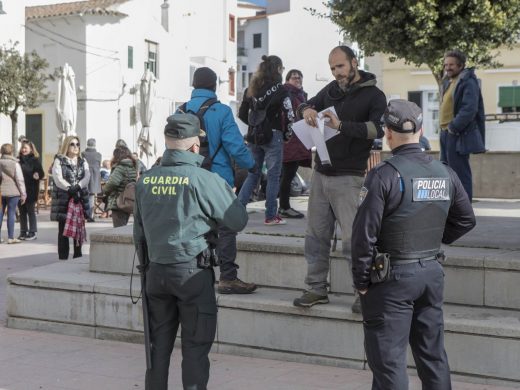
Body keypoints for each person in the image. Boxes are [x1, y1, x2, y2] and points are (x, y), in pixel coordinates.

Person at [351, 99, 476, 390]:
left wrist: (361, 282)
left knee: (389, 362)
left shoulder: (383, 174)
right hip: (431, 272)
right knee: (433, 357)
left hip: (392, 279)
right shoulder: (445, 172)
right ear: (420, 131)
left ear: (388, 133)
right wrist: (434, 238)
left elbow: (363, 235)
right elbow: (466, 219)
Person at [133, 113, 249, 390]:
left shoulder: (145, 180)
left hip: (155, 272)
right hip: (192, 275)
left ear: (168, 143)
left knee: (157, 348)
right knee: (196, 349)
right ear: (195, 146)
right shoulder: (203, 179)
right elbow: (238, 220)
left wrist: (147, 267)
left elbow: (139, 233)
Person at [292, 46, 387, 312]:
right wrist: (306, 111)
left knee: (353, 240)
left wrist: (340, 125)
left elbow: (376, 129)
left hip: (349, 176)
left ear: (354, 63)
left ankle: (363, 292)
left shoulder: (374, 95)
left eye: (340, 67)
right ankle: (315, 288)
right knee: (316, 236)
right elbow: (306, 103)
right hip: (321, 173)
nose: (336, 73)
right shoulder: (331, 90)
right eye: (332, 68)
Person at [180, 66, 257, 295]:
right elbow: (235, 145)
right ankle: (227, 277)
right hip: (217, 179)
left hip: (188, 179)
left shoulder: (180, 111)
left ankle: (192, 274)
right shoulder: (221, 111)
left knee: (193, 226)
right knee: (226, 228)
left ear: (194, 86)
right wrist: (252, 166)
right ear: (214, 86)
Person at [238, 55, 295, 226]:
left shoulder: (252, 88)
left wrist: (256, 124)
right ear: (278, 69)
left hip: (254, 136)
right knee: (273, 176)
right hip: (273, 135)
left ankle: (237, 210)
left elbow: (241, 114)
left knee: (253, 173)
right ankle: (270, 216)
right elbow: (289, 114)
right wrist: (287, 135)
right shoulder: (281, 89)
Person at [440, 49, 486, 201]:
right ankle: (453, 206)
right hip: (445, 133)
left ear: (460, 65)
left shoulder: (468, 81)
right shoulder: (449, 81)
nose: (447, 67)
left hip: (456, 134)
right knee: (447, 172)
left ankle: (464, 207)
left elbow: (469, 109)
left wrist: (454, 127)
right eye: (446, 64)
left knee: (460, 172)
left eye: (451, 64)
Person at [51, 136, 90, 259]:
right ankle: (63, 256)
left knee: (78, 225)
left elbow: (87, 176)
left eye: (77, 144)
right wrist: (69, 188)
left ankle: (78, 254)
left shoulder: (83, 161)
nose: (75, 147)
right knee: (63, 228)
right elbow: (58, 178)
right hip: (64, 197)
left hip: (79, 196)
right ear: (66, 146)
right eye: (72, 144)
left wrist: (78, 187)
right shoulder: (59, 160)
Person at [279, 69, 311, 219]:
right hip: (290, 141)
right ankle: (284, 207)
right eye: (294, 77)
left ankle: (281, 206)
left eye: (300, 77)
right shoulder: (287, 93)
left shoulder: (301, 95)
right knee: (287, 176)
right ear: (287, 80)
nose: (297, 79)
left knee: (287, 176)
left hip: (298, 141)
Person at [103, 146, 137, 227]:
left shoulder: (120, 167)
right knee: (123, 226)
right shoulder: (131, 166)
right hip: (128, 200)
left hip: (118, 202)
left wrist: (105, 189)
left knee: (119, 228)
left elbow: (113, 183)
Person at [17, 140, 45, 240]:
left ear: (31, 149)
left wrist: (38, 175)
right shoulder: (17, 160)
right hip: (20, 189)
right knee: (22, 211)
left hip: (31, 189)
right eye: (22, 148)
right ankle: (23, 232)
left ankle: (32, 232)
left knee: (30, 211)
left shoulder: (35, 160)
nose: (23, 150)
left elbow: (41, 173)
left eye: (26, 148)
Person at [0, 143, 27, 244]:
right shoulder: (15, 164)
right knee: (11, 214)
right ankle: (11, 238)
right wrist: (23, 194)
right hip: (13, 192)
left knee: (0, 214)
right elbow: (20, 180)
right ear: (11, 152)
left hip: (0, 192)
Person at [82, 138, 102, 222]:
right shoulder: (98, 155)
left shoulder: (83, 154)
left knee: (84, 195)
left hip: (85, 175)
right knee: (91, 196)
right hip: (94, 176)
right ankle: (91, 215)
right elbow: (99, 165)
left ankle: (85, 214)